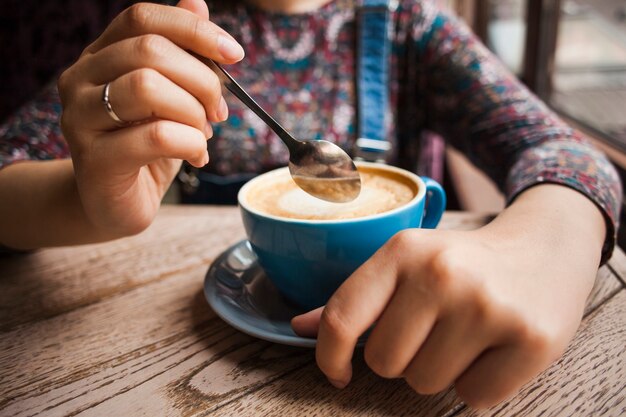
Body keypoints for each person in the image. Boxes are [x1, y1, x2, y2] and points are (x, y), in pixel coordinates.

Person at [0, 0, 621, 409]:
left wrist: (545, 248)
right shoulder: (169, 36)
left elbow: (556, 144)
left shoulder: (405, 25)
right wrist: (91, 203)